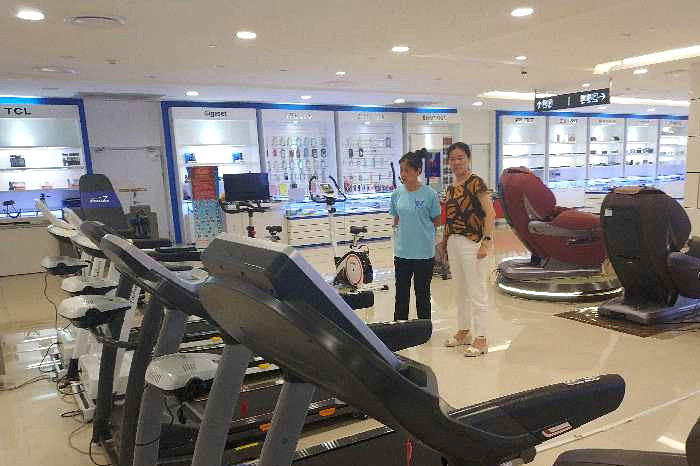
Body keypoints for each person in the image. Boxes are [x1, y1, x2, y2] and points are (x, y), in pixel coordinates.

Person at [440, 142, 496, 357]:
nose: (456, 162)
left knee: (476, 290)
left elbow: (490, 213)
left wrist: (486, 242)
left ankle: (481, 338)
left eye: (460, 158)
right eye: (452, 159)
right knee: (460, 289)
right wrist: (444, 242)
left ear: (468, 158)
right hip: (454, 241)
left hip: (472, 242)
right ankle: (464, 331)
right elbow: (450, 217)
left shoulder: (476, 183)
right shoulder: (450, 188)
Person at [390, 149, 441, 322]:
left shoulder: (430, 194)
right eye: (401, 170)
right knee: (401, 293)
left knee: (422, 293)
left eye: (407, 170)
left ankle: (424, 328)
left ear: (418, 171)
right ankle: (400, 326)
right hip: (402, 253)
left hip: (424, 254)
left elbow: (436, 221)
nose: (403, 174)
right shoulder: (397, 194)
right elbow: (396, 218)